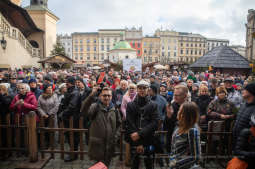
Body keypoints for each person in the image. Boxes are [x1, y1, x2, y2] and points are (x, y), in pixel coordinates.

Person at [80, 86, 121, 167]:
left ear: (111, 96)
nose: (106, 97)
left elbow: (120, 125)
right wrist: (92, 95)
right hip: (97, 147)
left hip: (109, 147)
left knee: (106, 166)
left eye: (109, 95)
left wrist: (115, 137)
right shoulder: (95, 107)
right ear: (100, 96)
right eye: (104, 95)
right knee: (97, 166)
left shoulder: (115, 109)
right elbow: (83, 110)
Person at [125, 80, 159, 169]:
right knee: (134, 164)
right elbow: (129, 122)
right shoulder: (130, 105)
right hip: (134, 139)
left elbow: (155, 123)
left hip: (148, 139)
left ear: (148, 89)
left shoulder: (153, 105)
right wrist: (138, 142)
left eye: (144, 88)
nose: (142, 90)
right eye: (140, 88)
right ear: (137, 89)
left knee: (149, 164)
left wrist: (140, 134)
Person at [169, 102, 201, 169]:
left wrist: (176, 164)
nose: (178, 112)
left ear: (186, 114)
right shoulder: (179, 126)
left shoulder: (192, 130)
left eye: (180, 111)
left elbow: (196, 157)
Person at [58, 76, 80, 162]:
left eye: (67, 82)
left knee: (73, 136)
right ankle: (72, 152)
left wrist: (62, 114)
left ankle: (74, 154)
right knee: (70, 135)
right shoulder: (71, 91)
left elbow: (72, 106)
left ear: (70, 83)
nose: (66, 83)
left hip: (72, 118)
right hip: (69, 118)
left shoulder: (75, 92)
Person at [164, 84, 189, 153]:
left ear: (185, 95)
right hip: (172, 139)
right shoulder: (172, 106)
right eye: (174, 95)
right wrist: (168, 116)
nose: (174, 97)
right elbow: (166, 126)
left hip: (185, 140)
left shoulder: (190, 107)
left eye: (177, 95)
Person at [233, 82, 255, 148]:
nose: (243, 91)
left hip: (247, 145)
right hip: (237, 141)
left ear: (251, 92)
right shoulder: (244, 105)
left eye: (245, 89)